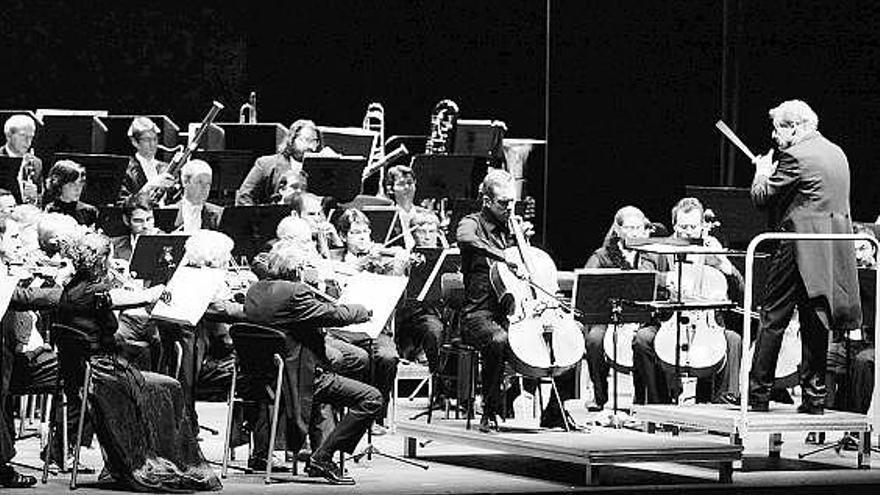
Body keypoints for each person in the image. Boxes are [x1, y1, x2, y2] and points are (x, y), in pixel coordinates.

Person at [53, 229, 221, 491]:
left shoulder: (73, 286)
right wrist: (151, 293)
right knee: (170, 386)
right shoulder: (95, 291)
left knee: (146, 364)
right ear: (101, 260)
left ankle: (127, 461)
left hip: (83, 372)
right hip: (101, 374)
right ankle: (161, 462)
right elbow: (119, 299)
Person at [748, 99, 861, 414]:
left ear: (794, 127)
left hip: (798, 245)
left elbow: (762, 199)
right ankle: (814, 398)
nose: (774, 137)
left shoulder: (795, 156)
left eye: (777, 129)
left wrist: (761, 172)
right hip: (830, 248)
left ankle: (757, 395)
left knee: (773, 317)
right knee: (815, 319)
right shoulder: (837, 152)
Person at [243, 242, 382, 484]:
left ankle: (319, 440)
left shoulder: (255, 290)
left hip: (267, 376)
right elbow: (333, 315)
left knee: (343, 360)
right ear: (297, 270)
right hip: (299, 378)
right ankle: (323, 456)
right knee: (371, 397)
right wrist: (362, 310)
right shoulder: (296, 292)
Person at [583, 206, 669, 410]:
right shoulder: (602, 256)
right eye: (629, 228)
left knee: (643, 340)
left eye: (638, 228)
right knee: (594, 340)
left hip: (645, 314)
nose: (634, 233)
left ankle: (643, 398)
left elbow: (665, 286)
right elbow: (588, 285)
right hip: (610, 315)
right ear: (618, 230)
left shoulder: (655, 254)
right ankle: (599, 395)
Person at [661, 197, 744, 404]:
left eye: (693, 226)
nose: (688, 231)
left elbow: (740, 291)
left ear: (702, 226)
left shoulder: (711, 250)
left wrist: (724, 266)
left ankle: (722, 402)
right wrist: (666, 281)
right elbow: (648, 280)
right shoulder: (662, 250)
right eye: (683, 226)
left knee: (733, 340)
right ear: (674, 226)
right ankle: (658, 404)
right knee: (643, 339)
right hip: (670, 321)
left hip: (708, 325)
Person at [236, 120, 321, 206]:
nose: (311, 146)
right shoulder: (265, 164)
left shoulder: (320, 167)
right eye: (306, 140)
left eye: (314, 141)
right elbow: (244, 196)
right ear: (292, 140)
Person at [118, 116, 176, 205]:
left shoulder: (165, 168)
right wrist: (149, 187)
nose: (152, 144)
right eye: (147, 140)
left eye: (155, 139)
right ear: (134, 142)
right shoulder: (126, 170)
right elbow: (122, 204)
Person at [169, 159, 223, 232]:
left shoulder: (218, 215)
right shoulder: (169, 212)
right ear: (185, 182)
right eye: (199, 182)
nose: (205, 188)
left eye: (208, 184)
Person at [43, 160, 98, 227]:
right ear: (60, 185)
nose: (77, 189)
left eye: (80, 184)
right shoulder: (49, 211)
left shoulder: (89, 212)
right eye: (72, 185)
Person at [1, 114, 42, 205]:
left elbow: (42, 200)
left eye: (31, 137)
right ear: (8, 135)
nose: (28, 142)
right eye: (23, 135)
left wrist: (35, 198)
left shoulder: (36, 163)